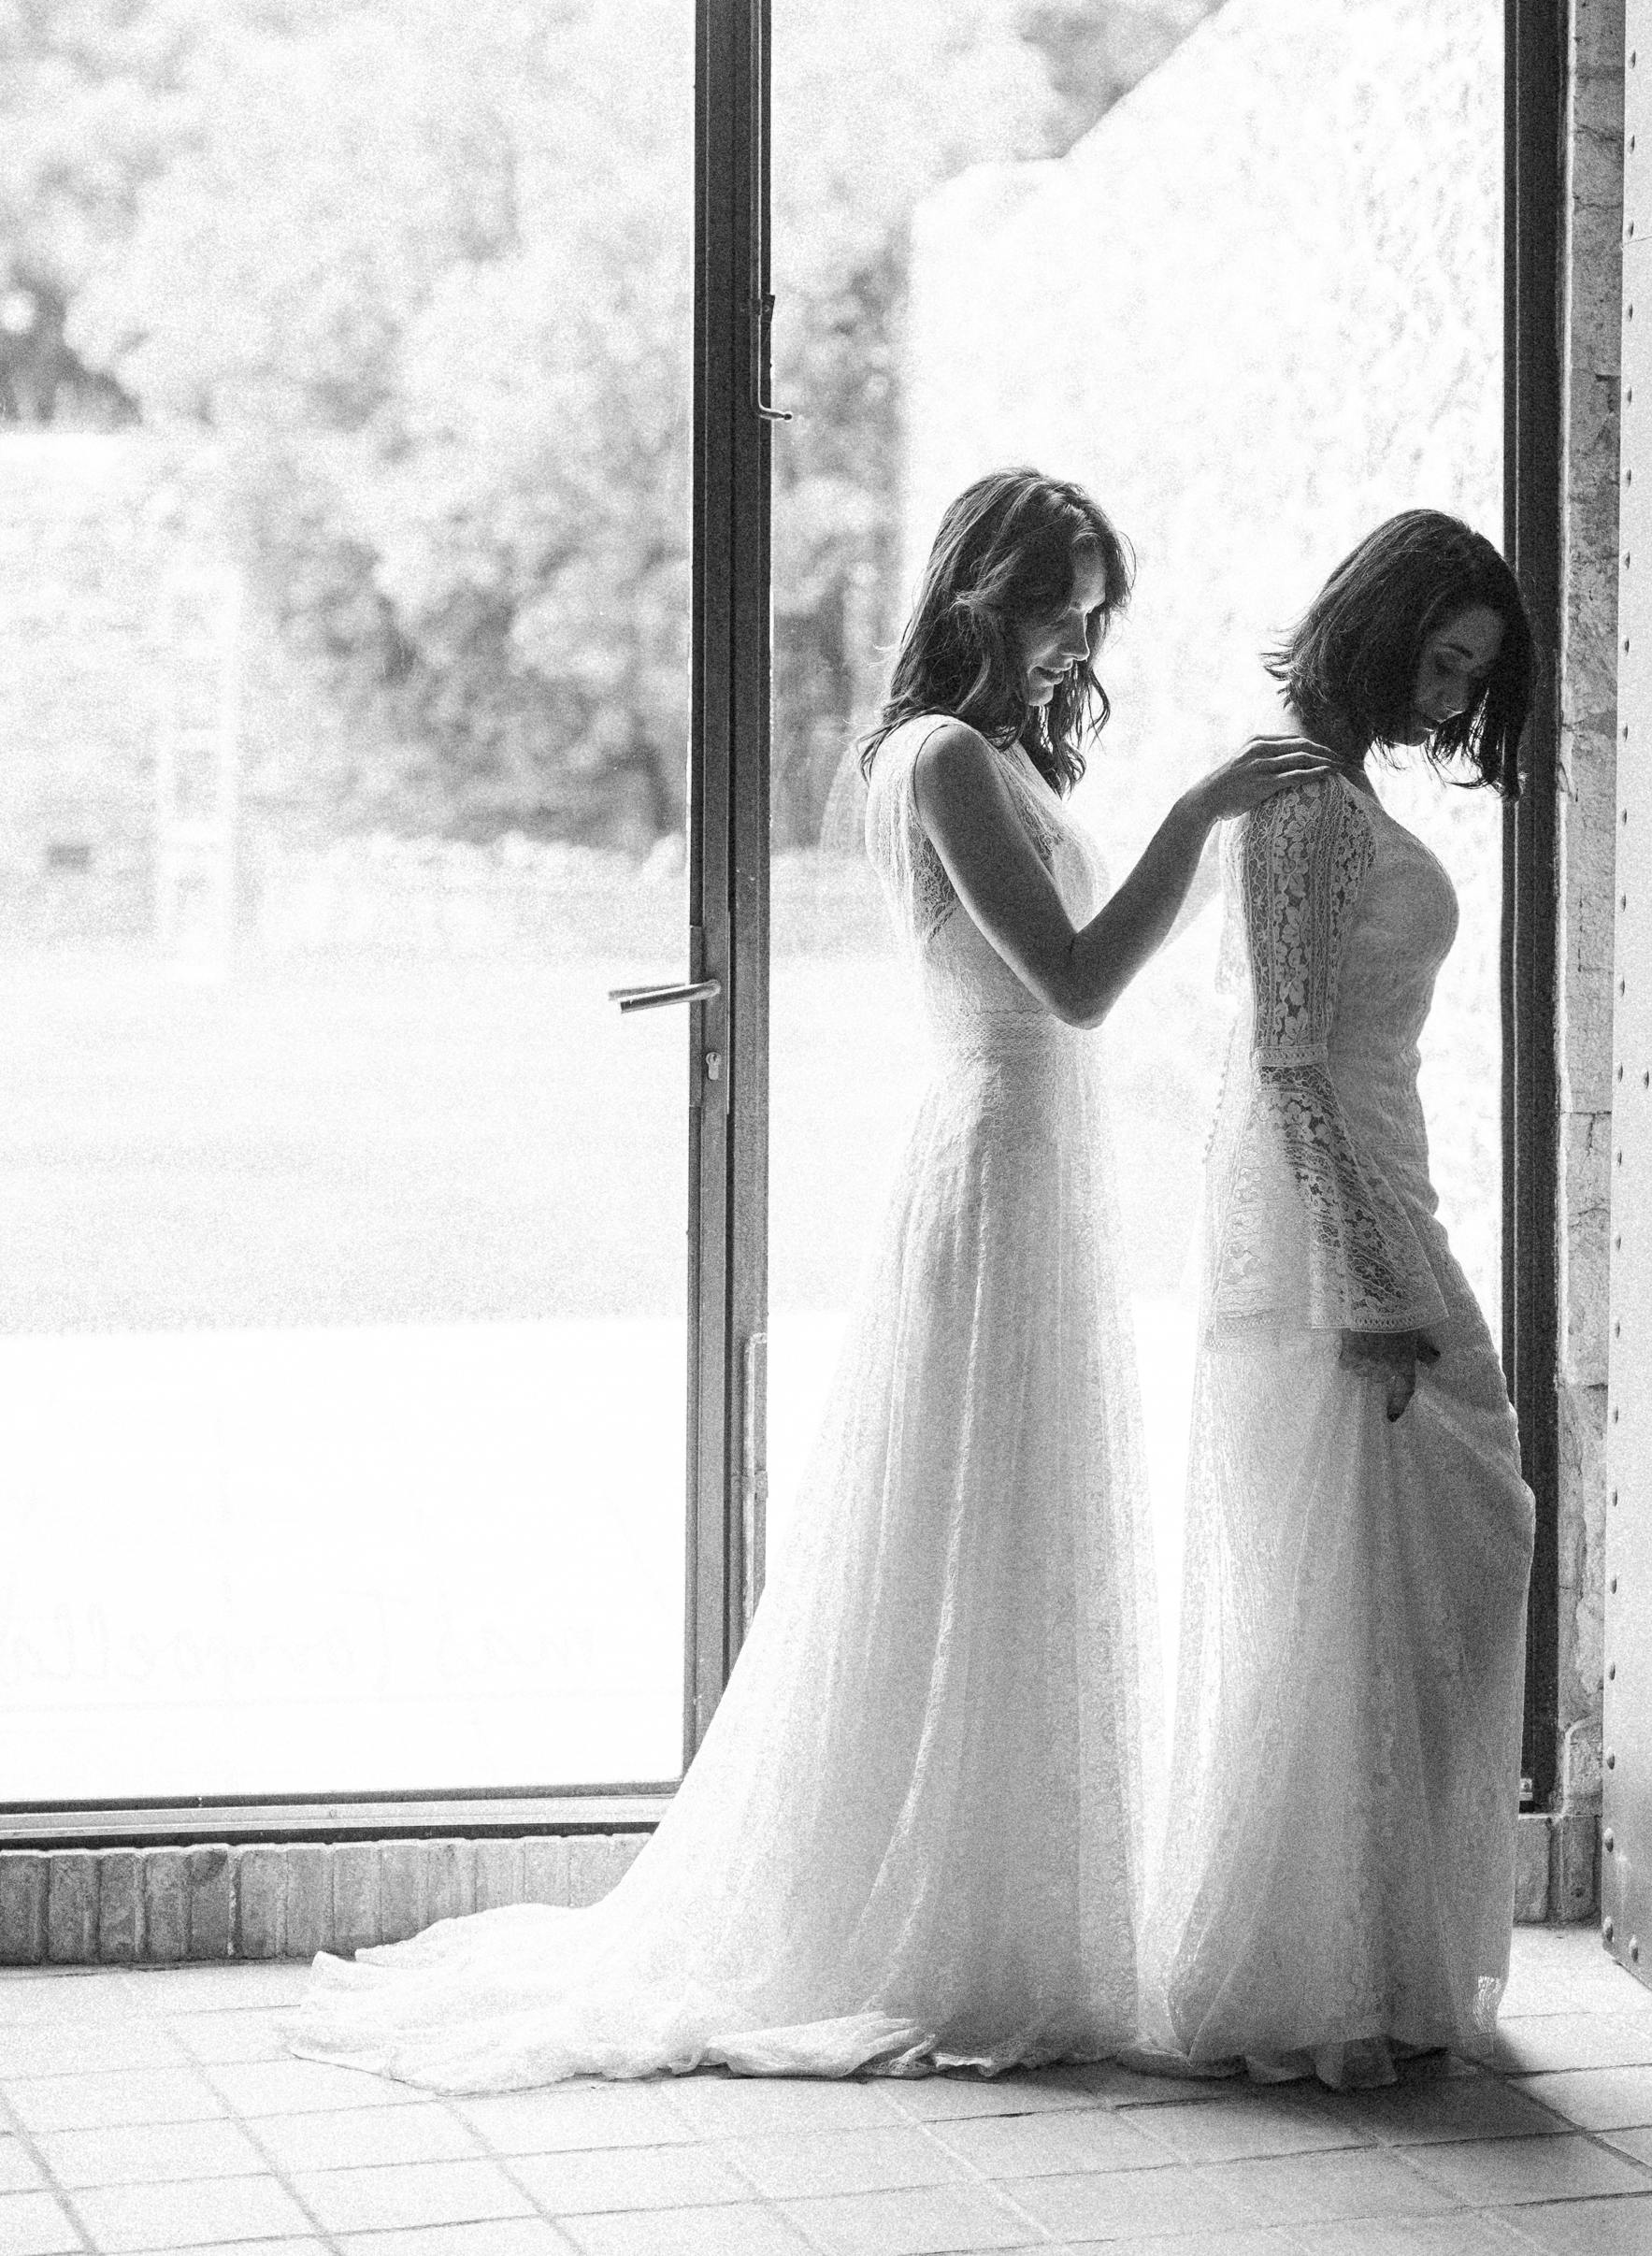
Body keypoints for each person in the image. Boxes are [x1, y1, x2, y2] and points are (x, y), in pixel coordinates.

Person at [292, 467, 1327, 2091]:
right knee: (967, 1526)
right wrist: (1199, 820)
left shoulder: (997, 759)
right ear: (981, 593)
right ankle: (926, 1921)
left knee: (1017, 1531)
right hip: (995, 1168)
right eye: (1059, 603)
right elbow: (1071, 986)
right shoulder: (938, 761)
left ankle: (1015, 1901)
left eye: (1095, 612)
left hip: (1041, 1174)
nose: (1078, 639)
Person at [1148, 509, 1538, 2087]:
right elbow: (1288, 1054)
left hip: (1383, 1176)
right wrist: (1365, 1281)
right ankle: (1312, 1973)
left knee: (1413, 1572)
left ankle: (1374, 1958)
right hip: (1332, 1218)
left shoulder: (1340, 784)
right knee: (1389, 1566)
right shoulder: (1299, 795)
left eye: (1475, 675)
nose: (1455, 700)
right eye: (1443, 660)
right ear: (1379, 628)